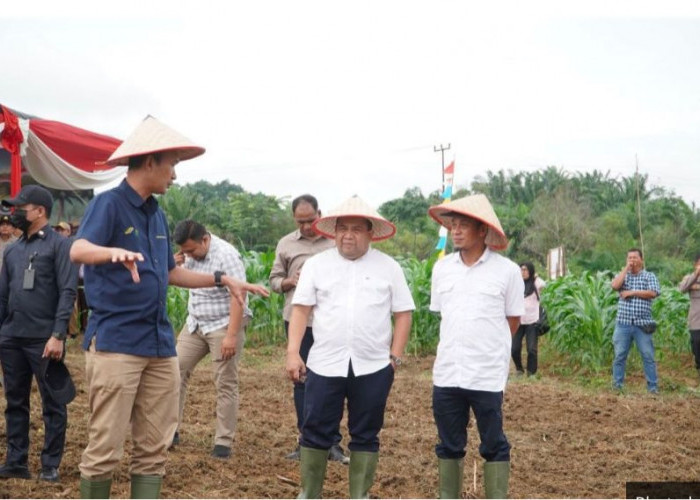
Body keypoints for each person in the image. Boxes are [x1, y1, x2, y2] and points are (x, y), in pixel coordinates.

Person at [70, 116, 268, 499]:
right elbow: (78, 249)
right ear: (149, 162)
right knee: (105, 447)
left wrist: (221, 280)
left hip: (160, 344)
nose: (175, 175)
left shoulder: (156, 213)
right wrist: (111, 252)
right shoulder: (109, 205)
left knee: (153, 447)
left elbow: (172, 272)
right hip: (117, 342)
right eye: (172, 164)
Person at [285, 195, 414, 499]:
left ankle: (360, 494)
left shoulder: (388, 267)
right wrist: (293, 352)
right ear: (334, 231)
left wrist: (393, 358)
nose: (348, 235)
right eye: (343, 228)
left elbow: (403, 313)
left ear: (371, 233)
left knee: (366, 433)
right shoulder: (318, 265)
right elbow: (301, 309)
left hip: (373, 366)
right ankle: (309, 493)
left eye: (357, 229)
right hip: (324, 363)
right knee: (315, 429)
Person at [427, 194, 524, 499]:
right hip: (448, 370)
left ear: (483, 230)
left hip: (486, 373)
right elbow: (446, 314)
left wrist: (489, 347)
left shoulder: (507, 271)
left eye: (463, 225)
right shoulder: (442, 269)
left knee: (493, 443)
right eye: (452, 225)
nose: (455, 231)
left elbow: (512, 320)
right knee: (448, 444)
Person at [0, 185, 78, 482]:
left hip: (45, 339)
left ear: (40, 211)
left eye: (21, 207)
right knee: (15, 402)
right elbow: (3, 296)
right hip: (12, 338)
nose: (14, 213)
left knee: (53, 403)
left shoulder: (60, 246)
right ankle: (16, 461)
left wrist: (58, 334)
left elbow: (68, 291)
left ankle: (50, 464)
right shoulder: (12, 250)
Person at [269, 194, 348, 464]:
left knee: (333, 381)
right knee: (302, 381)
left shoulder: (335, 242)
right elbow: (274, 281)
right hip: (298, 322)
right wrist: (291, 281)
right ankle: (307, 441)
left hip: (330, 322)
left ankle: (333, 444)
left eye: (310, 220)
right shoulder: (286, 244)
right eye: (300, 222)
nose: (305, 226)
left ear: (320, 214)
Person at [171, 219, 251, 459]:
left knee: (225, 381)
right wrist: (173, 265)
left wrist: (231, 336)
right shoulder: (188, 255)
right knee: (174, 372)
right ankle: (170, 430)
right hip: (195, 323)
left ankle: (223, 441)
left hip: (223, 324)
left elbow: (239, 295)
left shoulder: (226, 255)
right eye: (184, 251)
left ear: (205, 240)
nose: (188, 255)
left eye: (191, 250)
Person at [610, 248, 660, 394]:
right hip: (623, 323)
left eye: (635, 258)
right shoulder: (623, 276)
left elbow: (652, 293)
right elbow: (614, 286)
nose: (632, 260)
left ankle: (652, 388)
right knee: (620, 355)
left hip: (642, 324)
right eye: (629, 258)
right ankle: (617, 386)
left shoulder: (649, 276)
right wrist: (626, 268)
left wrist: (632, 292)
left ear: (641, 260)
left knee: (648, 356)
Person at [511, 262, 545, 376]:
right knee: (514, 348)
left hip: (532, 321)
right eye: (521, 270)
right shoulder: (517, 284)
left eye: (525, 270)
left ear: (530, 271)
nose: (523, 272)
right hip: (519, 321)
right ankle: (519, 369)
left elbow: (544, 285)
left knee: (531, 349)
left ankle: (531, 373)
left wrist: (536, 277)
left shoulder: (536, 283)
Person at [679, 253, 700, 383]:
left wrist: (695, 287)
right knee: (697, 344)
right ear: (695, 264)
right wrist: (696, 275)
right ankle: (698, 366)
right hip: (696, 319)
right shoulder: (689, 277)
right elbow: (682, 288)